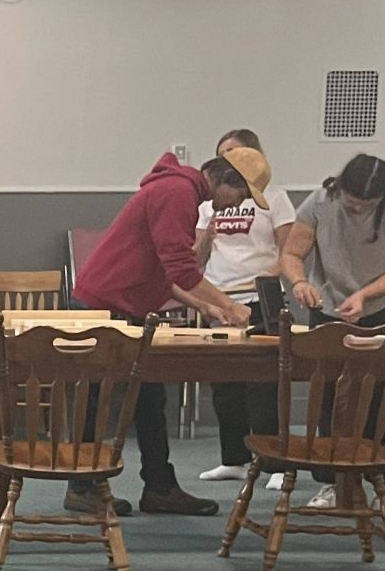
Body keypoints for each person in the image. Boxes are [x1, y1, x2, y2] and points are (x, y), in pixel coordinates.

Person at [67, 149, 261, 516]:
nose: (238, 205)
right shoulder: (178, 193)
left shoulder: (180, 190)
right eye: (242, 196)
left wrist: (206, 306)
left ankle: (159, 486)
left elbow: (163, 269)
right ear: (225, 182)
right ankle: (82, 486)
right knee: (96, 401)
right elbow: (180, 267)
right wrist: (232, 307)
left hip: (124, 306)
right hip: (104, 307)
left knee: (149, 398)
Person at [281, 153, 385, 511]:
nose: (359, 210)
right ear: (340, 188)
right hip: (329, 306)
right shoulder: (319, 202)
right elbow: (291, 253)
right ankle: (333, 483)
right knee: (330, 394)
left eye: (368, 205)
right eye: (352, 203)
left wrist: (364, 295)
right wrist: (300, 282)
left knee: (383, 394)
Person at [194, 129, 295, 483]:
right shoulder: (207, 202)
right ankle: (233, 458)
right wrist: (205, 238)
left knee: (264, 384)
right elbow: (195, 260)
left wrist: (265, 279)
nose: (229, 158)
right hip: (220, 298)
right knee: (225, 383)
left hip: (260, 298)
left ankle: (274, 464)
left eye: (236, 152)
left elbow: (289, 253)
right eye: (222, 153)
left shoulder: (275, 198)